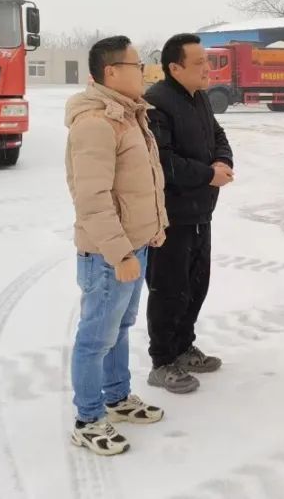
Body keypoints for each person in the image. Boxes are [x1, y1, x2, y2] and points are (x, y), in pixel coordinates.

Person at [64, 35, 169, 456]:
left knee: (120, 329)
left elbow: (142, 183)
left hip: (132, 245)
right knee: (95, 338)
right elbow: (92, 199)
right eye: (136, 65)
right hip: (109, 254)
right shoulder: (96, 123)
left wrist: (154, 228)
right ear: (111, 72)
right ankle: (88, 418)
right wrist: (120, 253)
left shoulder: (128, 115)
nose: (143, 73)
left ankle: (117, 396)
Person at [143, 33, 234, 394]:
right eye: (199, 63)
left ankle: (183, 346)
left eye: (207, 61)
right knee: (169, 288)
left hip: (200, 211)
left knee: (196, 284)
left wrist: (222, 161)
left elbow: (219, 136)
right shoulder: (156, 103)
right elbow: (163, 162)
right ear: (175, 68)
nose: (207, 68)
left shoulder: (199, 98)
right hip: (171, 216)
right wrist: (208, 175)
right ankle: (162, 360)